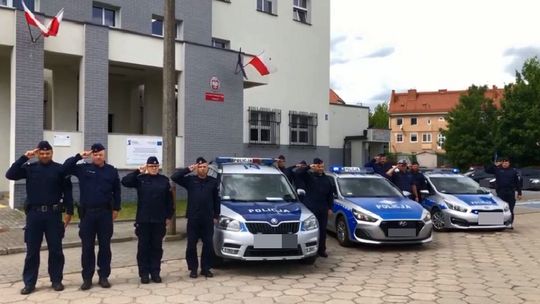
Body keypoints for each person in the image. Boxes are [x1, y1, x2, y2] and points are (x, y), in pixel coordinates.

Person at [5, 141, 73, 295]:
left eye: (47, 153)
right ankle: (29, 283)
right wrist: (24, 157)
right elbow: (10, 174)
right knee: (32, 251)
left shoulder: (59, 169)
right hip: (34, 215)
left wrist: (69, 211)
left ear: (51, 153)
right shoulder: (30, 168)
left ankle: (56, 280)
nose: (44, 156)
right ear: (37, 154)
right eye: (41, 153)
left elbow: (68, 190)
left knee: (56, 250)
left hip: (53, 215)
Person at [62, 143, 121, 290]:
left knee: (105, 247)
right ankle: (87, 278)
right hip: (87, 214)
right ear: (92, 155)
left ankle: (103, 276)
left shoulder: (111, 171)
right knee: (87, 248)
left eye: (100, 154)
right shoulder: (83, 168)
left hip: (105, 214)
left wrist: (116, 209)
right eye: (95, 154)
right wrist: (78, 156)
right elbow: (65, 168)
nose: (98, 157)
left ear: (104, 155)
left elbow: (117, 191)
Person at [121, 156, 174, 284]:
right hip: (143, 220)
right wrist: (138, 171)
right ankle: (144, 274)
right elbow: (125, 181)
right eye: (151, 166)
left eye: (156, 166)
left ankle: (155, 272)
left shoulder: (164, 180)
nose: (154, 168)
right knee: (143, 248)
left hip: (159, 220)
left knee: (156, 248)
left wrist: (168, 216)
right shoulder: (140, 179)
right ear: (147, 167)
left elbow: (169, 201)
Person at [171, 157, 220, 278]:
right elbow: (175, 177)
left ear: (207, 168)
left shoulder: (213, 182)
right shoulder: (190, 180)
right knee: (191, 245)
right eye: (200, 167)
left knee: (208, 245)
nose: (202, 169)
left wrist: (216, 215)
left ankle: (206, 268)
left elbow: (216, 200)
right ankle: (193, 269)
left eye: (204, 167)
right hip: (193, 218)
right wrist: (188, 169)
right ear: (196, 168)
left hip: (208, 219)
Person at [294, 158, 334, 258]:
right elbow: (297, 173)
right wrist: (308, 167)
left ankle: (322, 250)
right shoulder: (308, 176)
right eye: (319, 166)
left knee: (322, 230)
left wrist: (330, 208)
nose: (321, 168)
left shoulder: (327, 179)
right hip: (311, 207)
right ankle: (312, 250)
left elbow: (330, 195)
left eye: (322, 166)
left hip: (323, 208)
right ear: (314, 166)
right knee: (311, 230)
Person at [485, 157, 522, 228]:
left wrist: (519, 193)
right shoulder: (497, 170)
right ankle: (499, 223)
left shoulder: (513, 171)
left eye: (506, 162)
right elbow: (487, 170)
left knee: (510, 208)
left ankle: (510, 223)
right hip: (501, 192)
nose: (505, 164)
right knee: (500, 208)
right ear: (502, 163)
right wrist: (495, 165)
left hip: (510, 192)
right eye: (504, 162)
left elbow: (517, 183)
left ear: (509, 163)